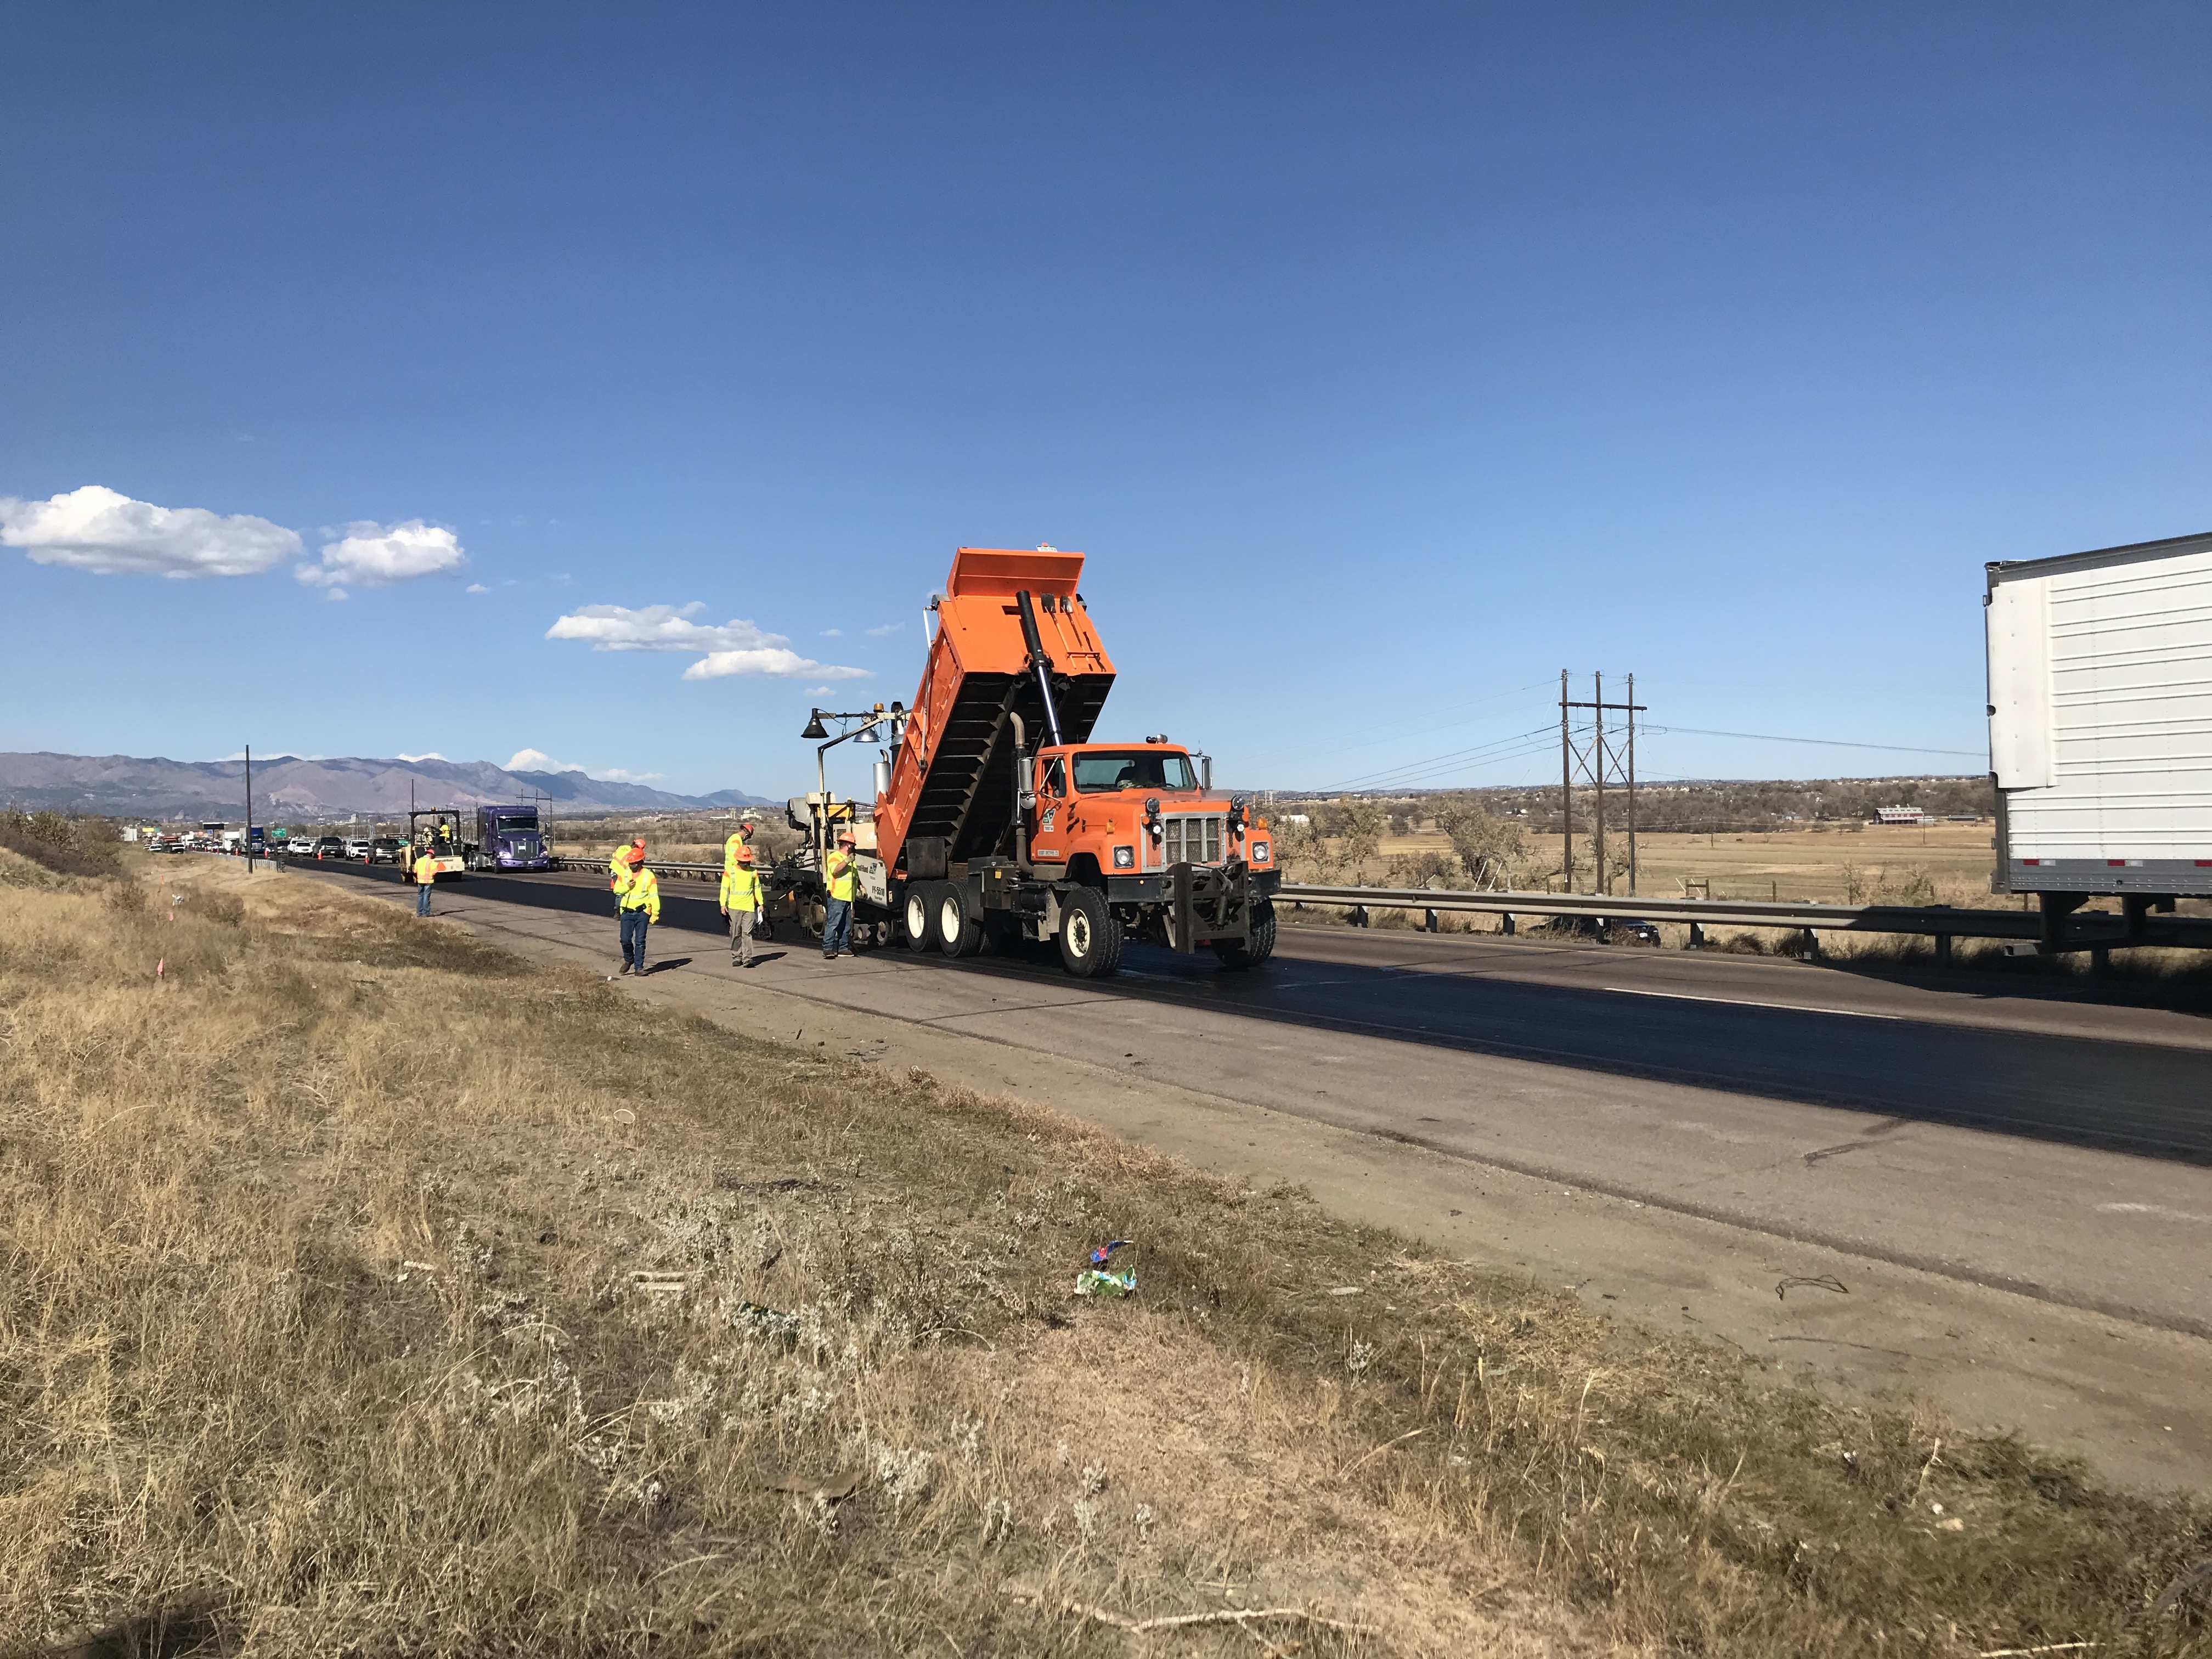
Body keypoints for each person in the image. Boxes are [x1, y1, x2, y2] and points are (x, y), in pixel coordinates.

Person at [617, 845, 660, 974]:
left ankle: (639, 968)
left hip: (642, 912)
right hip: (627, 912)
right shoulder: (625, 874)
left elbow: (654, 895)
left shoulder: (648, 875)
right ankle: (629, 960)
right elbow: (617, 890)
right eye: (630, 863)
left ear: (641, 862)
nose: (632, 866)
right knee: (625, 939)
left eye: (634, 863)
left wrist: (655, 913)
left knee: (640, 941)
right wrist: (627, 887)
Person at [720, 843, 763, 967]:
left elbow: (757, 889)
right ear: (739, 860)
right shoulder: (730, 871)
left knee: (747, 933)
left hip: (749, 907)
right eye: (743, 861)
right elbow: (724, 889)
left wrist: (760, 903)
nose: (746, 864)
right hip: (734, 907)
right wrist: (723, 904)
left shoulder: (753, 872)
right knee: (735, 933)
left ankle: (748, 958)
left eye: (747, 861)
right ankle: (737, 956)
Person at [822, 828, 857, 960]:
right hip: (837, 896)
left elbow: (854, 877)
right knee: (834, 923)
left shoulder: (851, 860)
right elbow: (835, 871)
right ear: (848, 845)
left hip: (848, 897)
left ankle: (843, 948)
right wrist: (847, 861)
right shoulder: (834, 857)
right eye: (853, 845)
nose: (854, 847)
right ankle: (828, 948)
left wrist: (861, 887)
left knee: (846, 925)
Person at [608, 837, 644, 910]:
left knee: (621, 891)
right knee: (620, 893)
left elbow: (614, 855)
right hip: (620, 873)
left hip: (614, 871)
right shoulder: (632, 854)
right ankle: (618, 911)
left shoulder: (623, 847)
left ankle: (621, 909)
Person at [413, 844, 437, 917]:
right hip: (428, 881)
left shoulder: (418, 861)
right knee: (426, 896)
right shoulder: (431, 862)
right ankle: (425, 913)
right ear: (431, 855)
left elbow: (415, 871)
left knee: (420, 896)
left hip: (420, 881)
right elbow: (435, 871)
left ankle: (419, 912)